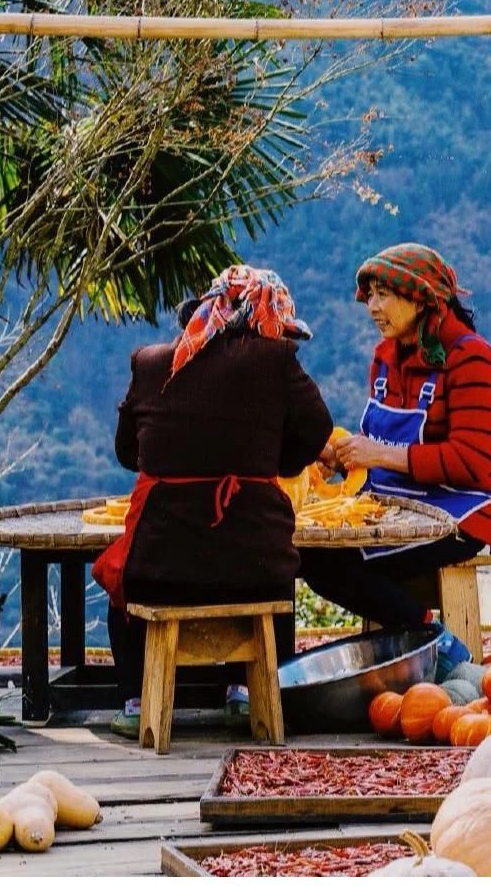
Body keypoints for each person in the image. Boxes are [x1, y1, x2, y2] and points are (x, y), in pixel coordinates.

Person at [93, 265, 333, 738]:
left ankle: (136, 699)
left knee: (125, 594)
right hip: (256, 568)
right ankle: (248, 693)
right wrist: (270, 466)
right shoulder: (278, 361)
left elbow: (127, 454)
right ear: (269, 321)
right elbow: (317, 431)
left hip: (159, 569)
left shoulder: (150, 363)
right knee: (272, 588)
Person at [298, 243, 491, 663]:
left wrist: (378, 454)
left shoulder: (474, 362)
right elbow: (375, 449)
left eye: (384, 295)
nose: (373, 307)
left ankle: (431, 639)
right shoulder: (384, 358)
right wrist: (343, 458)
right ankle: (407, 645)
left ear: (421, 299)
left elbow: (473, 464)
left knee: (327, 563)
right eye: (371, 295)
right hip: (389, 505)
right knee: (296, 549)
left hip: (458, 515)